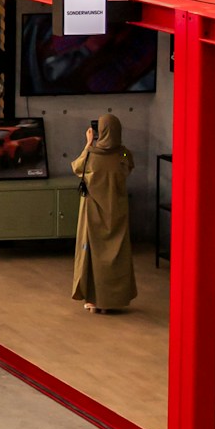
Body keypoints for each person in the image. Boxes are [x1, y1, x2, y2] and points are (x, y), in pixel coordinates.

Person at [72, 112, 137, 312]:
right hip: (117, 211)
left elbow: (77, 167)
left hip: (93, 211)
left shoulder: (91, 154)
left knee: (92, 254)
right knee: (117, 255)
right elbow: (129, 163)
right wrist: (120, 147)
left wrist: (88, 143)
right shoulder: (123, 154)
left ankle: (93, 299)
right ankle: (114, 299)